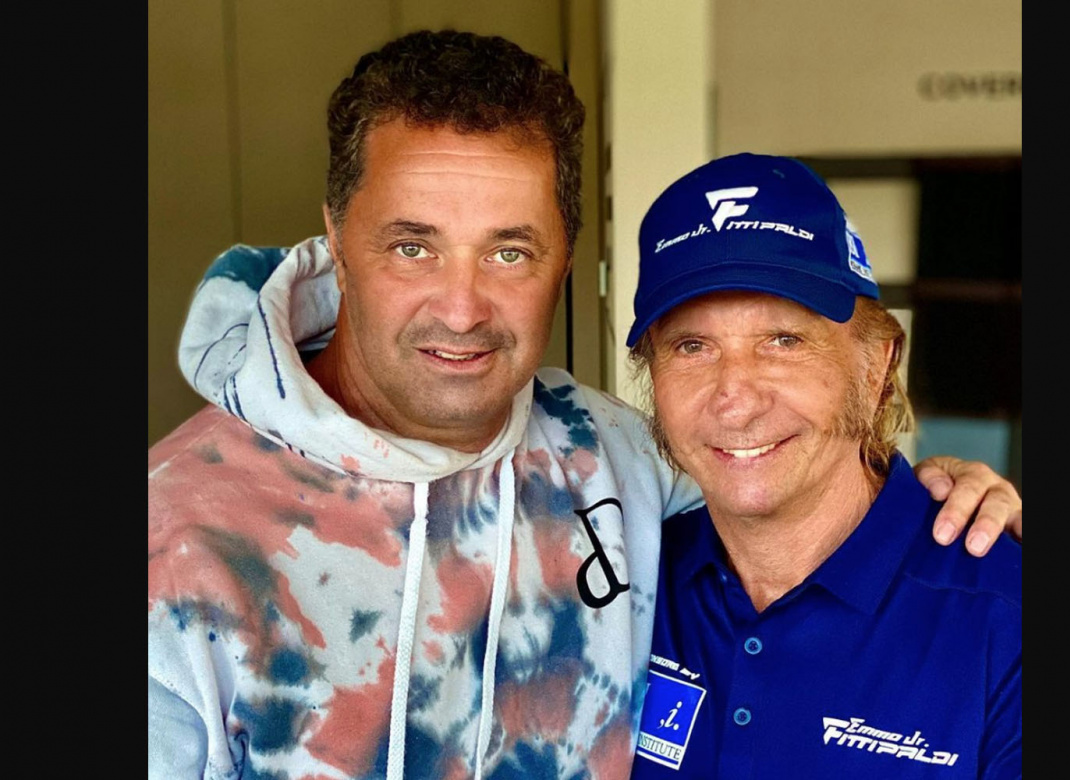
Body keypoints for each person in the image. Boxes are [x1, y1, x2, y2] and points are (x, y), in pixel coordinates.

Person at [148, 30, 1022, 780]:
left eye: (510, 252)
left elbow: (799, 482)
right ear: (336, 241)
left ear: (565, 260)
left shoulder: (611, 461)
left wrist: (945, 493)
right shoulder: (175, 537)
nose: (462, 308)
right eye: (413, 246)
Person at [624, 154, 1021, 778]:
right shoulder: (627, 583)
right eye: (692, 346)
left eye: (784, 341)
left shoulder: (1004, 616)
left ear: (877, 366)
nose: (736, 400)